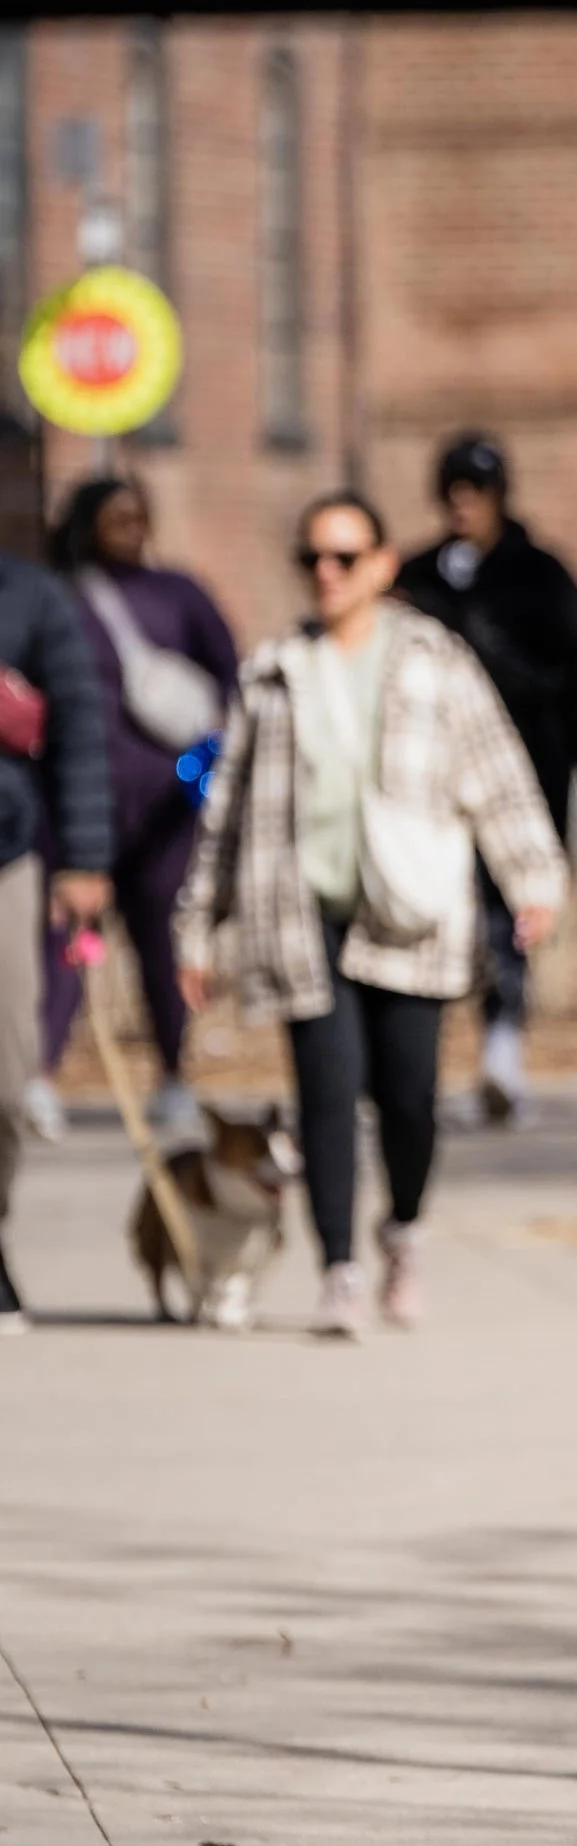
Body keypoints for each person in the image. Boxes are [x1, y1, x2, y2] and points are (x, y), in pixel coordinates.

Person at [174, 489, 567, 1340]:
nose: (326, 573)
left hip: (411, 913)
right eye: (312, 557)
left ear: (384, 565)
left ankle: (404, 1234)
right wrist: (199, 925)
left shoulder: (436, 660)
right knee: (323, 1094)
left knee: (408, 1098)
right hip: (301, 909)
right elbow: (227, 811)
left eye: (345, 557)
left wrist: (534, 877)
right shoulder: (274, 671)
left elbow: (498, 775)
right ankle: (340, 1272)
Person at [396, 435, 577, 1126]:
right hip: (428, 784)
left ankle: (502, 1046)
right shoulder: (416, 579)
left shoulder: (543, 579)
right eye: (454, 491)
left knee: (511, 917)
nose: (465, 504)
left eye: (478, 490)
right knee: (435, 912)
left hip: (528, 774)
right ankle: (418, 1058)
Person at [32, 474, 238, 1153]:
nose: (130, 528)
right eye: (115, 516)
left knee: (162, 942)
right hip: (78, 810)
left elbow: (231, 677)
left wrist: (212, 758)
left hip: (165, 811)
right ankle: (39, 1073)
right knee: (65, 944)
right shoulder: (57, 599)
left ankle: (174, 1071)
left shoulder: (177, 594)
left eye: (139, 515)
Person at [0, 536, 112, 1325]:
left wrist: (84, 857)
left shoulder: (29, 595)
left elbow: (78, 724)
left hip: (4, 858)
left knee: (6, 1079)